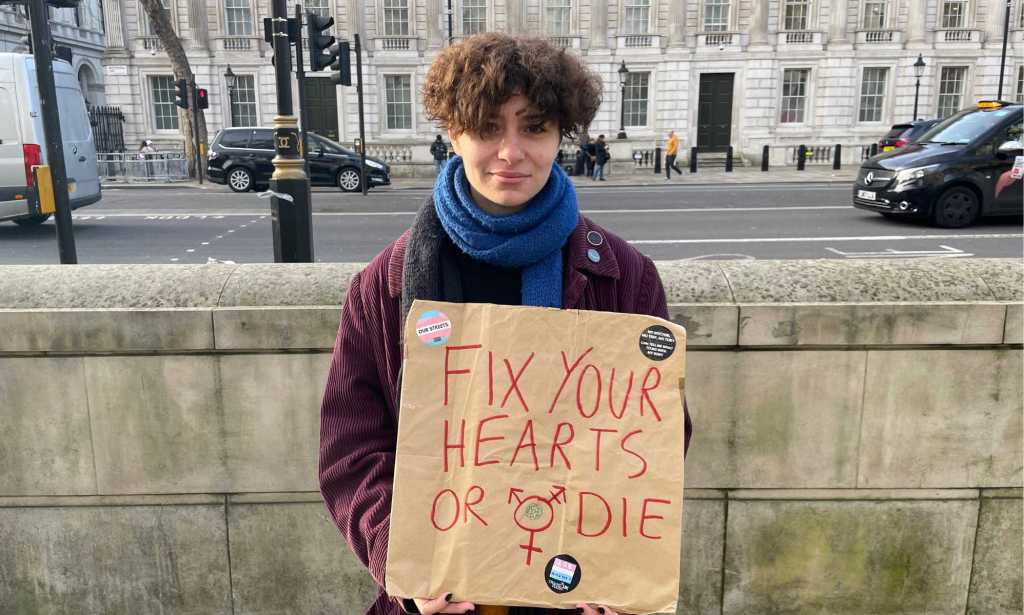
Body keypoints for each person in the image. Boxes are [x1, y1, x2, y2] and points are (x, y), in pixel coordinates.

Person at [318, 32, 691, 615]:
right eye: (489, 127)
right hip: (442, 592)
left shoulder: (625, 278)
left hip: (573, 590)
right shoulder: (382, 286)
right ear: (453, 132)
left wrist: (615, 563)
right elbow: (351, 451)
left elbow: (653, 441)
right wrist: (405, 563)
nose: (511, 152)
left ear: (560, 134)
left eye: (534, 126)